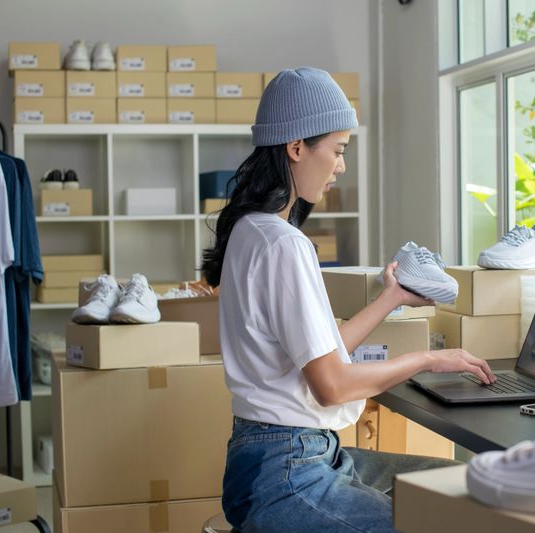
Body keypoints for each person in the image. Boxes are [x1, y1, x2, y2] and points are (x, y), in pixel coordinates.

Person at [201, 67, 495, 533]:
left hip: (277, 457)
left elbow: (321, 351)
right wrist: (426, 358)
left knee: (463, 484)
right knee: (455, 513)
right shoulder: (283, 243)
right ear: (296, 147)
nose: (340, 165)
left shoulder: (249, 230)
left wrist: (390, 297)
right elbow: (332, 385)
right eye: (337, 150)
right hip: (289, 474)